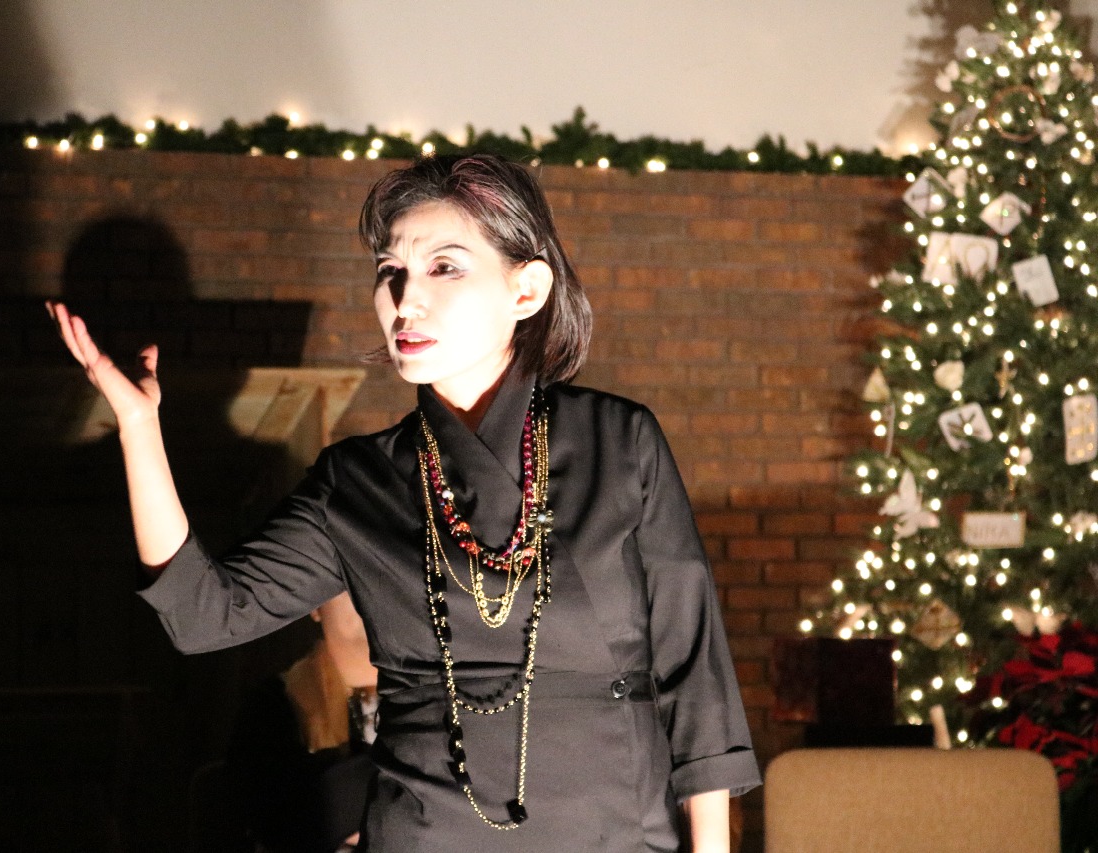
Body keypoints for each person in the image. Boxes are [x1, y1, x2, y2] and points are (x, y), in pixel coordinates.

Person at [47, 153, 759, 852]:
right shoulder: (359, 481)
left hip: (618, 831)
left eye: (444, 267)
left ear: (527, 290)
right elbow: (204, 615)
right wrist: (139, 428)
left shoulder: (619, 441)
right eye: (391, 270)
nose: (404, 299)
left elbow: (694, 671)